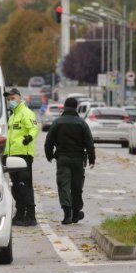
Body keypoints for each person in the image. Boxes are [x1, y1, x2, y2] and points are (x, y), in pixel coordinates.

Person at [44, 96, 96, 225]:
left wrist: (49, 155)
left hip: (62, 158)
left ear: (64, 107)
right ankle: (76, 212)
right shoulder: (82, 123)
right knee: (77, 186)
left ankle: (67, 213)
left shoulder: (57, 122)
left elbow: (49, 141)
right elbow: (89, 142)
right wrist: (92, 159)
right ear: (76, 107)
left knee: (63, 185)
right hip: (78, 159)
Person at [4, 87, 38, 226]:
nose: (10, 101)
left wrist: (29, 138)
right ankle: (19, 214)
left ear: (19, 97)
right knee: (16, 187)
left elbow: (34, 128)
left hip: (24, 155)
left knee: (25, 186)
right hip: (12, 156)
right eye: (8, 99)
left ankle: (30, 216)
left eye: (12, 98)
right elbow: (10, 138)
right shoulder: (13, 116)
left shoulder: (26, 112)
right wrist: (5, 154)